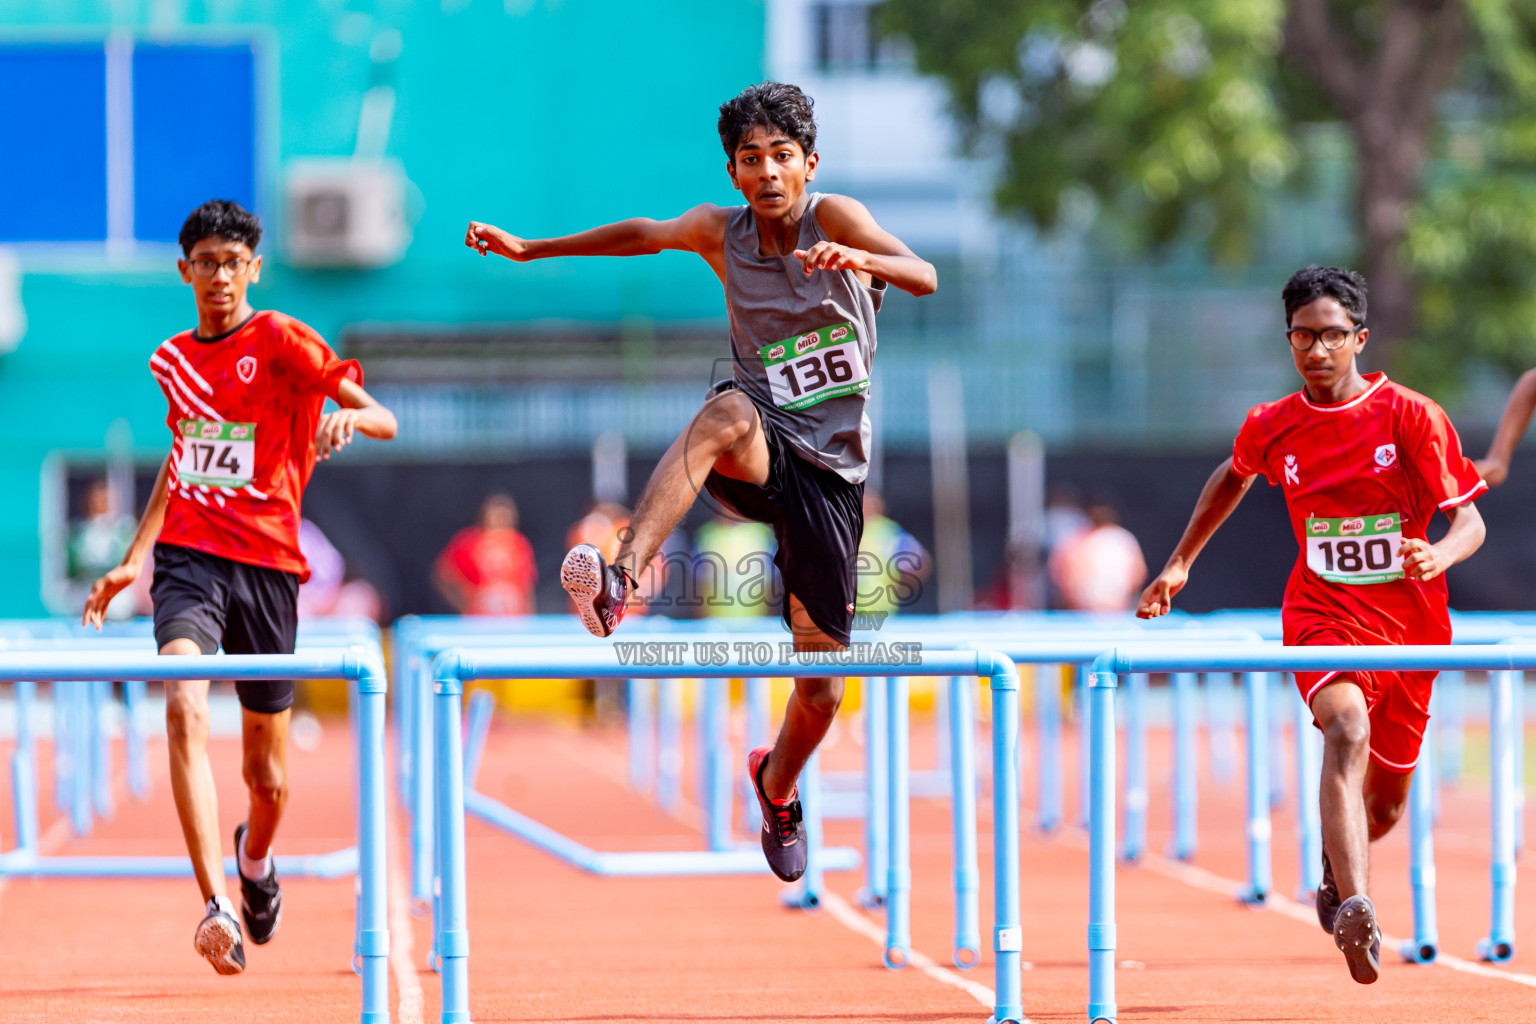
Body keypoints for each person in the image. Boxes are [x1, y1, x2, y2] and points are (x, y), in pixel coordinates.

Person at [465, 82, 937, 882]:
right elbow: (642, 234)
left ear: (808, 163)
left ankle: (776, 785)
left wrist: (859, 257)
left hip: (832, 482)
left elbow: (921, 273)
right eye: (750, 161)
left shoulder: (839, 218)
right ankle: (619, 579)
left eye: (781, 157)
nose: (767, 173)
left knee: (820, 696)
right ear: (734, 172)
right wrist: (529, 251)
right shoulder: (724, 234)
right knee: (724, 410)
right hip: (760, 451)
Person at [1137, 266, 1486, 985]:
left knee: (1383, 805)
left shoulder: (1412, 416)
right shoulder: (1272, 425)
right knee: (1345, 727)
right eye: (1303, 336)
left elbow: (1471, 521)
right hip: (1322, 614)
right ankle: (1357, 906)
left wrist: (1438, 552)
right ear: (1289, 340)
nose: (1317, 350)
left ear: (1359, 337)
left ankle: (1338, 862)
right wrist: (1180, 563)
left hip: (1412, 629)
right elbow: (1232, 476)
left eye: (1331, 335)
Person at [81, 200, 397, 975]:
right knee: (184, 702)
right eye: (206, 263)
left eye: (234, 263)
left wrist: (348, 421)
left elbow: (382, 415)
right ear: (184, 271)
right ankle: (215, 903)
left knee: (270, 778)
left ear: (254, 269)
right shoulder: (172, 360)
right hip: (189, 556)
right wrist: (136, 555)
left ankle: (255, 860)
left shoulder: (283, 339)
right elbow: (184, 452)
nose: (220, 277)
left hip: (268, 568)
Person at [433, 493, 537, 616]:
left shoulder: (518, 543)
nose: (501, 518)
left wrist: (530, 616)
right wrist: (461, 604)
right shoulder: (469, 542)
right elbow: (443, 575)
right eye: (497, 513)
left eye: (505, 513)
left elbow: (527, 585)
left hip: (512, 617)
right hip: (479, 617)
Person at [1049, 502, 1146, 612]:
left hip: (1105, 607)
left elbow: (1137, 573)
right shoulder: (1079, 541)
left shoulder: (1080, 541)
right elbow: (1138, 574)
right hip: (1092, 608)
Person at [68, 478, 139, 619]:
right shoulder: (80, 532)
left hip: (118, 598)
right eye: (98, 498)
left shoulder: (124, 530)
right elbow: (73, 567)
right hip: (87, 592)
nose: (101, 502)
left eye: (106, 499)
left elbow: (130, 564)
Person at [854, 487, 928, 621]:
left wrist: (902, 586)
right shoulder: (844, 528)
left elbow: (920, 564)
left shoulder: (887, 532)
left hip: (878, 613)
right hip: (844, 611)